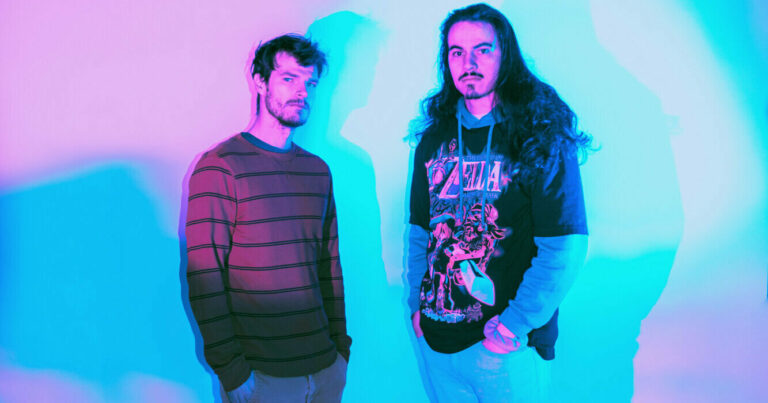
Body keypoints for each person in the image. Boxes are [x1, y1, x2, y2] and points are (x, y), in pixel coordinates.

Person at [407, 3, 592, 402]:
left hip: (506, 349)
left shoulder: (540, 134)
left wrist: (513, 326)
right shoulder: (433, 140)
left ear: (505, 54)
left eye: (482, 49)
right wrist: (417, 307)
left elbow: (565, 245)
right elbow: (419, 232)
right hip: (436, 343)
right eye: (457, 52)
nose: (468, 63)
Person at [185, 34, 351, 403]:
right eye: (289, 78)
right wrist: (232, 371)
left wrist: (340, 352)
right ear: (260, 82)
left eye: (310, 83)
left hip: (325, 370)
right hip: (262, 377)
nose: (302, 92)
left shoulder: (317, 171)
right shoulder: (220, 167)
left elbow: (329, 267)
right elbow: (205, 277)